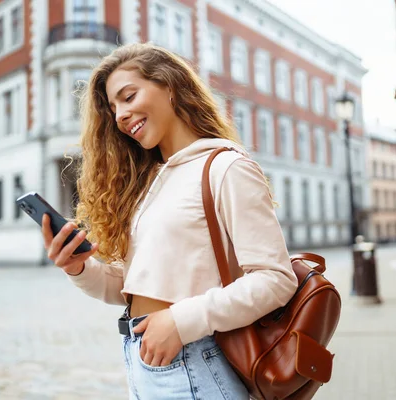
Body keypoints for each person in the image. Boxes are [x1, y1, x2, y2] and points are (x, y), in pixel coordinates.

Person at [40, 43, 298, 399]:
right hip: (144, 359)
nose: (119, 115)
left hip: (196, 361)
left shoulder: (225, 167)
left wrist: (180, 322)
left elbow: (275, 279)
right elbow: (131, 288)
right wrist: (79, 268)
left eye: (128, 96)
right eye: (114, 108)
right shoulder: (150, 184)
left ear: (170, 85)